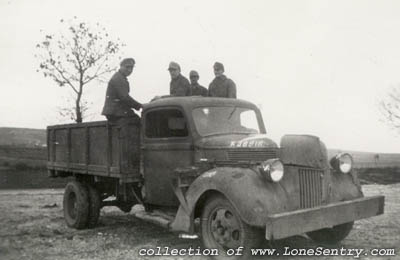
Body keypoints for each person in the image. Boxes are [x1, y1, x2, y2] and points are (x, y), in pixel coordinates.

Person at [101, 58, 142, 123]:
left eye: (131, 68)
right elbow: (125, 97)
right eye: (127, 67)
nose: (129, 70)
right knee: (136, 122)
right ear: (121, 66)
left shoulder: (121, 78)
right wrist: (140, 106)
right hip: (115, 111)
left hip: (118, 110)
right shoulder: (118, 78)